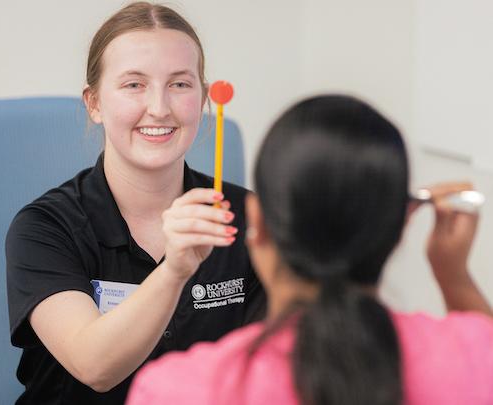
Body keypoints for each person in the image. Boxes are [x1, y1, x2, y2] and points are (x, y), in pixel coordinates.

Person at [126, 95, 493, 405]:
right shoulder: (471, 355)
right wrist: (454, 276)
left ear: (258, 223)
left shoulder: (176, 389)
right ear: (399, 229)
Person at [5, 2, 264, 404]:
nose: (159, 108)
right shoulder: (44, 227)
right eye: (134, 85)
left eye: (180, 84)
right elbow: (95, 367)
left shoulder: (249, 218)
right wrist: (175, 270)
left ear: (204, 99)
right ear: (94, 104)